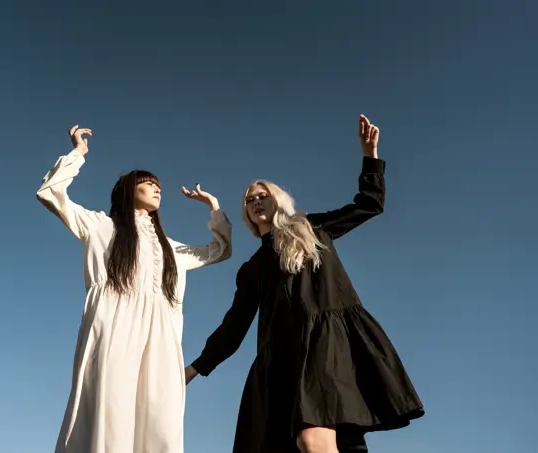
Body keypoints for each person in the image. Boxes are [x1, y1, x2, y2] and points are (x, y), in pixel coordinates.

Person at [185, 115, 424, 453]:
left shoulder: (312, 228)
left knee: (312, 440)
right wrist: (194, 369)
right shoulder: (252, 269)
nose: (255, 201)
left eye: (261, 195)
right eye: (249, 200)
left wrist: (370, 155)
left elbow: (369, 204)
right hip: (282, 360)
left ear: (277, 199)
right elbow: (234, 326)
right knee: (324, 444)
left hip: (327, 345)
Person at [37, 125, 233, 453]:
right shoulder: (101, 226)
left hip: (162, 336)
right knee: (109, 415)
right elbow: (50, 193)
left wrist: (213, 207)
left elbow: (220, 251)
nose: (157, 189)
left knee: (160, 421)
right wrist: (78, 155)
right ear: (129, 190)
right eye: (148, 183)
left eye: (158, 185)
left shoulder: (171, 249)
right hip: (114, 328)